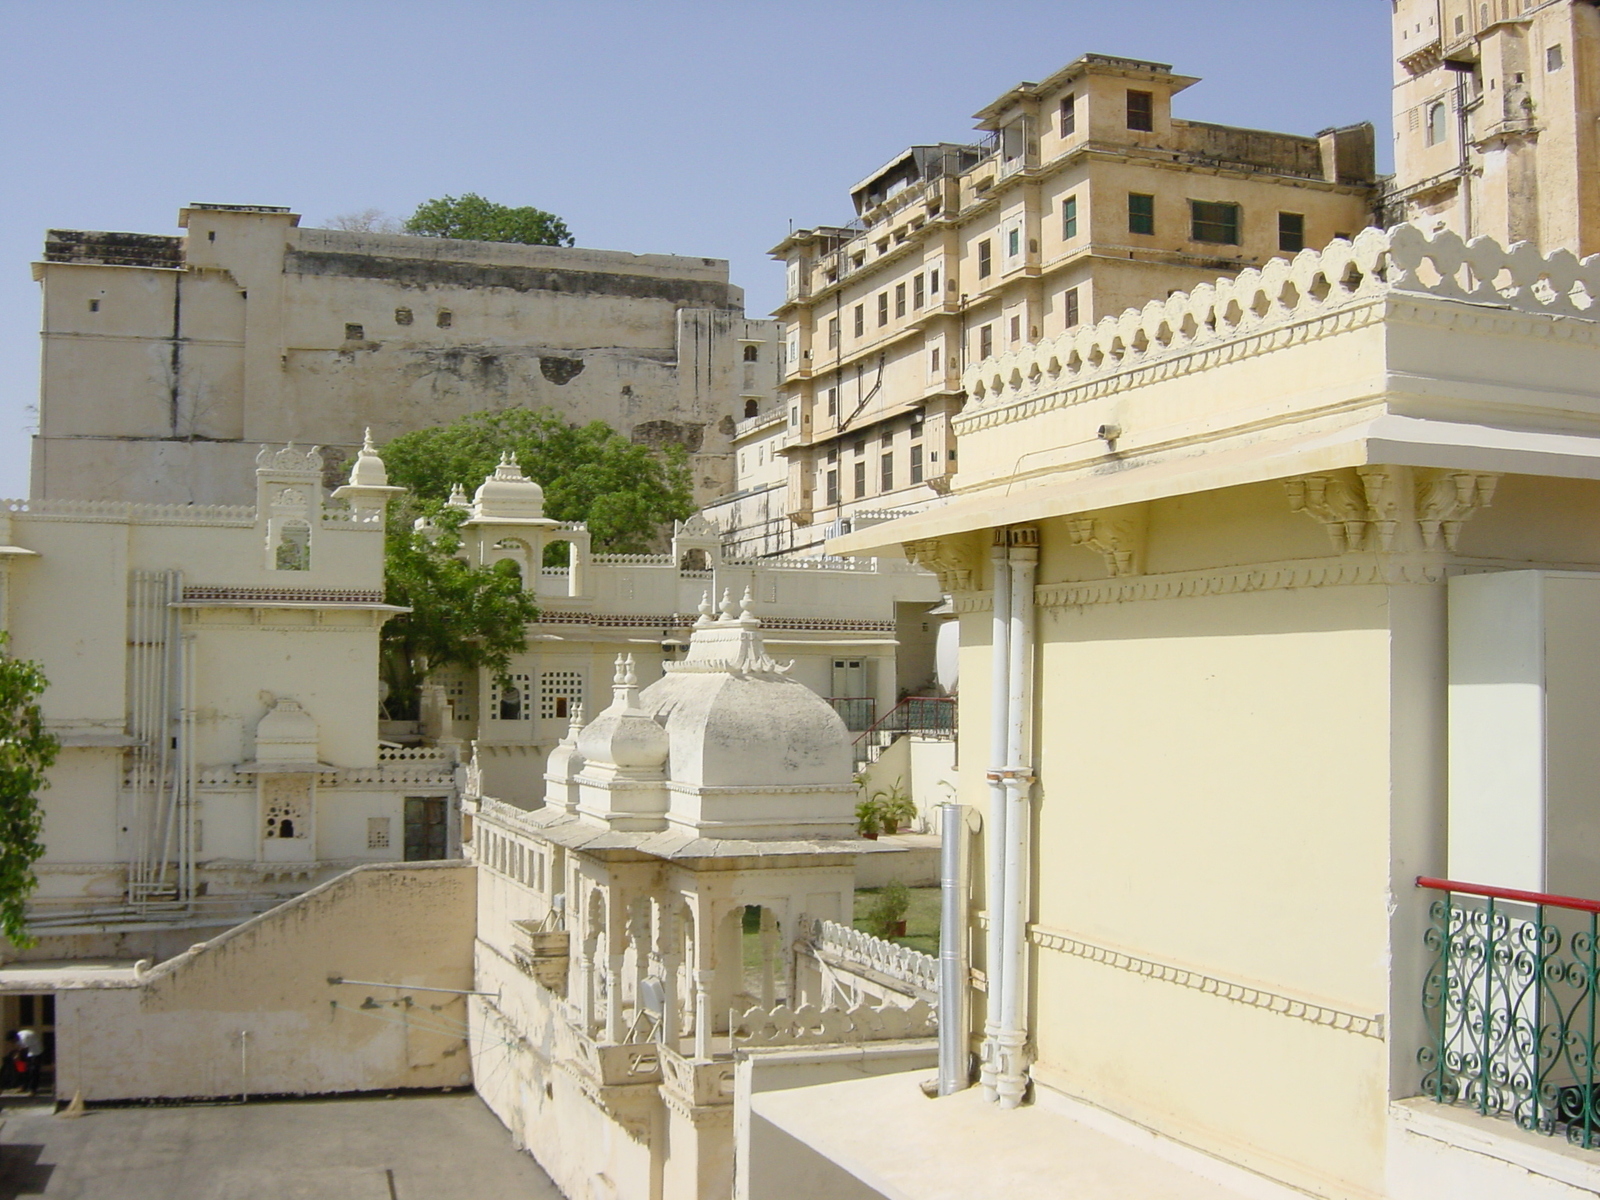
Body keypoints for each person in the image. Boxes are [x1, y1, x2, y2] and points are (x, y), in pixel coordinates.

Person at [15, 1027, 42, 1096]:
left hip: (35, 1052)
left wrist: (18, 1055)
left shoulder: (24, 1037)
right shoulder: (19, 1036)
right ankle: (23, 1086)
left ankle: (33, 1090)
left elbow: (23, 1049)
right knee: (22, 1069)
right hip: (28, 1053)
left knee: (33, 1071)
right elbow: (20, 1048)